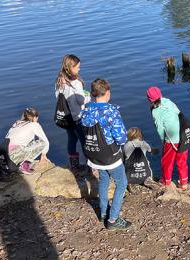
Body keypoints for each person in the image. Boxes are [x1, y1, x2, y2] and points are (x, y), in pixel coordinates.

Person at [81, 78, 130, 230]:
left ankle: (103, 212)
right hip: (109, 155)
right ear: (107, 93)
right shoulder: (111, 112)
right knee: (122, 184)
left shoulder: (87, 110)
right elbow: (121, 138)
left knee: (104, 179)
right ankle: (113, 219)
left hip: (93, 154)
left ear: (94, 94)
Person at [146, 86, 189, 190]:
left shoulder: (155, 111)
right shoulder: (168, 101)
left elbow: (160, 129)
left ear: (149, 99)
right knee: (182, 161)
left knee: (167, 161)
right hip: (183, 135)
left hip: (171, 140)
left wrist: (163, 140)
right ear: (160, 94)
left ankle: (166, 181)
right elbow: (178, 112)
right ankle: (184, 183)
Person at [55, 54, 90, 172]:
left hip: (66, 117)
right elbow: (81, 100)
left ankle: (74, 165)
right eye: (77, 67)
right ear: (70, 67)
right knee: (85, 141)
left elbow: (58, 97)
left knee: (71, 140)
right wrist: (88, 97)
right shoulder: (76, 83)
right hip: (78, 118)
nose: (79, 69)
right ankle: (90, 166)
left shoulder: (59, 81)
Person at [6, 108, 50, 174]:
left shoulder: (16, 124)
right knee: (42, 143)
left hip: (5, 152)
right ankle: (23, 165)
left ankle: (19, 161)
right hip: (14, 155)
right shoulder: (34, 125)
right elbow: (45, 141)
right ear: (35, 118)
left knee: (26, 143)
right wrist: (43, 154)